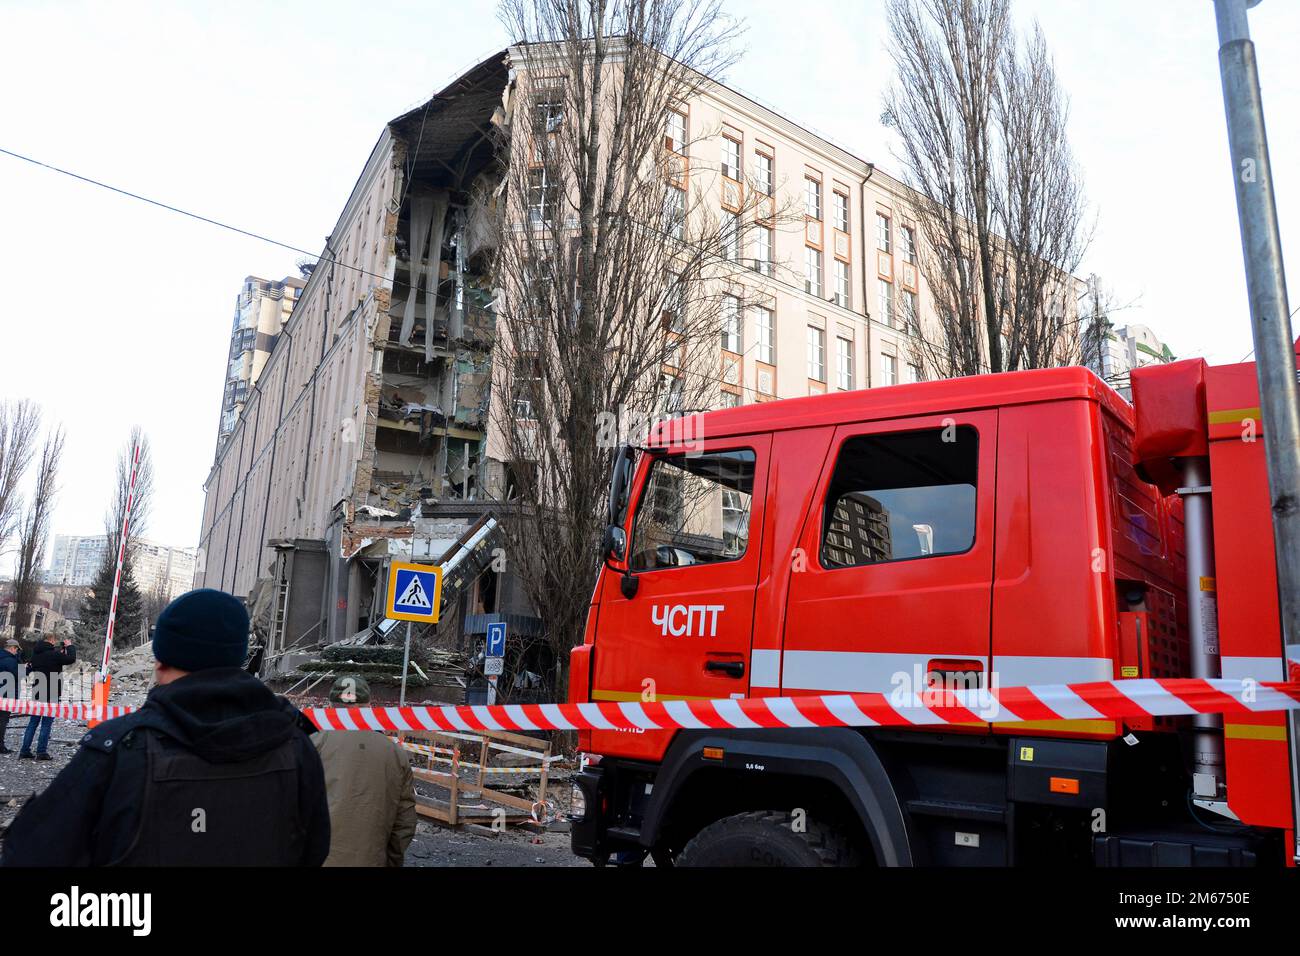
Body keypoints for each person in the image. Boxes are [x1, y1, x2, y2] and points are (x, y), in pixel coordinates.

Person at [2, 588, 330, 866]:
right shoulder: (296, 745)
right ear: (238, 657)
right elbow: (316, 849)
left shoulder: (118, 748)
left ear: (160, 659)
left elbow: (30, 852)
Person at [311, 675, 417, 867]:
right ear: (368, 708)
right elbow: (404, 823)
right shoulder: (395, 754)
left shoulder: (310, 745)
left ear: (330, 707)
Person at [19, 632, 75, 760]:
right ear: (51, 640)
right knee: (46, 724)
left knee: (33, 722)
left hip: (37, 692)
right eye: (54, 641)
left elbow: (29, 669)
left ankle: (24, 750)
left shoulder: (35, 655)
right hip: (52, 693)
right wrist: (70, 647)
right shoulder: (54, 655)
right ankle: (41, 752)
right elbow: (71, 659)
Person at [0, 638, 22, 754]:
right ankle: (0, 746)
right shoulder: (10, 660)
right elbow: (20, 675)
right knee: (2, 721)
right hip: (6, 695)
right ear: (13, 648)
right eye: (17, 650)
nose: (17, 652)